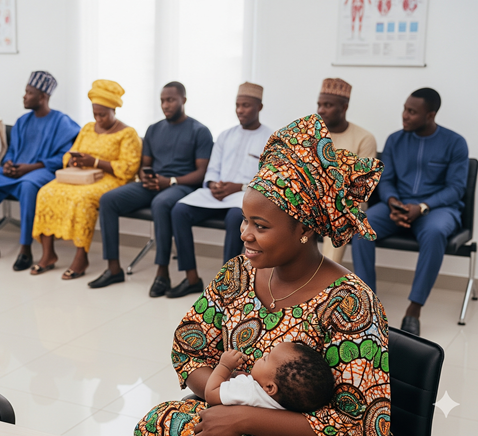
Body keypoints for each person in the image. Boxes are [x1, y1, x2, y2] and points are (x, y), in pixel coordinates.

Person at [135, 114, 390, 436]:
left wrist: (247, 419)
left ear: (305, 229)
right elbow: (190, 349)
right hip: (224, 410)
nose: (245, 234)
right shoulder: (238, 272)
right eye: (245, 220)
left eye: (261, 226)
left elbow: (357, 424)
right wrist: (228, 397)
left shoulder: (352, 304)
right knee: (155, 423)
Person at [352, 88, 468, 336]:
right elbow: (387, 179)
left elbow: (456, 189)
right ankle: (368, 304)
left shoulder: (455, 143)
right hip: (399, 206)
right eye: (405, 109)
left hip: (437, 209)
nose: (405, 115)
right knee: (362, 226)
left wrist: (422, 207)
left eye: (412, 112)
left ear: (430, 115)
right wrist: (393, 202)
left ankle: (414, 310)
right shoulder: (395, 140)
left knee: (436, 232)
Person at [89, 82, 213, 295]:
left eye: (171, 100)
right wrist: (146, 176)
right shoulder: (154, 129)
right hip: (154, 184)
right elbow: (146, 163)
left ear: (183, 100)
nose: (166, 105)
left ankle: (161, 273)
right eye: (162, 101)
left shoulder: (199, 131)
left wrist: (171, 181)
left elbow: (201, 173)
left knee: (161, 203)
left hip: (182, 185)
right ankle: (113, 268)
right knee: (108, 200)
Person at [0, 71, 81, 271]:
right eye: (25, 92)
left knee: (28, 187)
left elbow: (65, 157)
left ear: (43, 96)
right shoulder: (22, 121)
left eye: (29, 92)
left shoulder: (62, 122)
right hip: (15, 171)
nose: (24, 96)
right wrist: (9, 163)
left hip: (42, 171)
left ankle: (25, 250)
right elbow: (11, 150)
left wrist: (32, 167)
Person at [169, 82, 271, 298]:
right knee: (179, 211)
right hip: (216, 194)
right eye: (237, 105)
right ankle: (191, 278)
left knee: (237, 218)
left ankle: (228, 285)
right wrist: (212, 184)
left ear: (259, 107)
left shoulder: (270, 139)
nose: (240, 110)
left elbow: (268, 180)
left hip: (245, 196)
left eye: (246, 105)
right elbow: (212, 169)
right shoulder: (225, 135)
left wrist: (239, 187)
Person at [30, 80, 141, 279]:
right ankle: (48, 254)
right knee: (46, 192)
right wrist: (73, 161)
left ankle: (81, 257)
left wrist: (95, 162)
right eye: (95, 114)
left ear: (114, 110)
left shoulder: (127, 133)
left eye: (103, 115)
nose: (98, 119)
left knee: (83, 199)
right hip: (80, 176)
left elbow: (128, 169)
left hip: (110, 179)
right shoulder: (88, 128)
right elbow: (69, 154)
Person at [316, 78, 377, 264]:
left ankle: (324, 282)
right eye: (319, 104)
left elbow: (361, 186)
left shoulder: (364, 138)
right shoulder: (313, 135)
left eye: (328, 105)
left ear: (344, 108)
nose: (320, 110)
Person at [203, 343, 334, 413]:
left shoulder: (250, 391)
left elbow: (211, 393)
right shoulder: (286, 408)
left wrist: (224, 366)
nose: (262, 356)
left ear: (270, 387)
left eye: (266, 359)